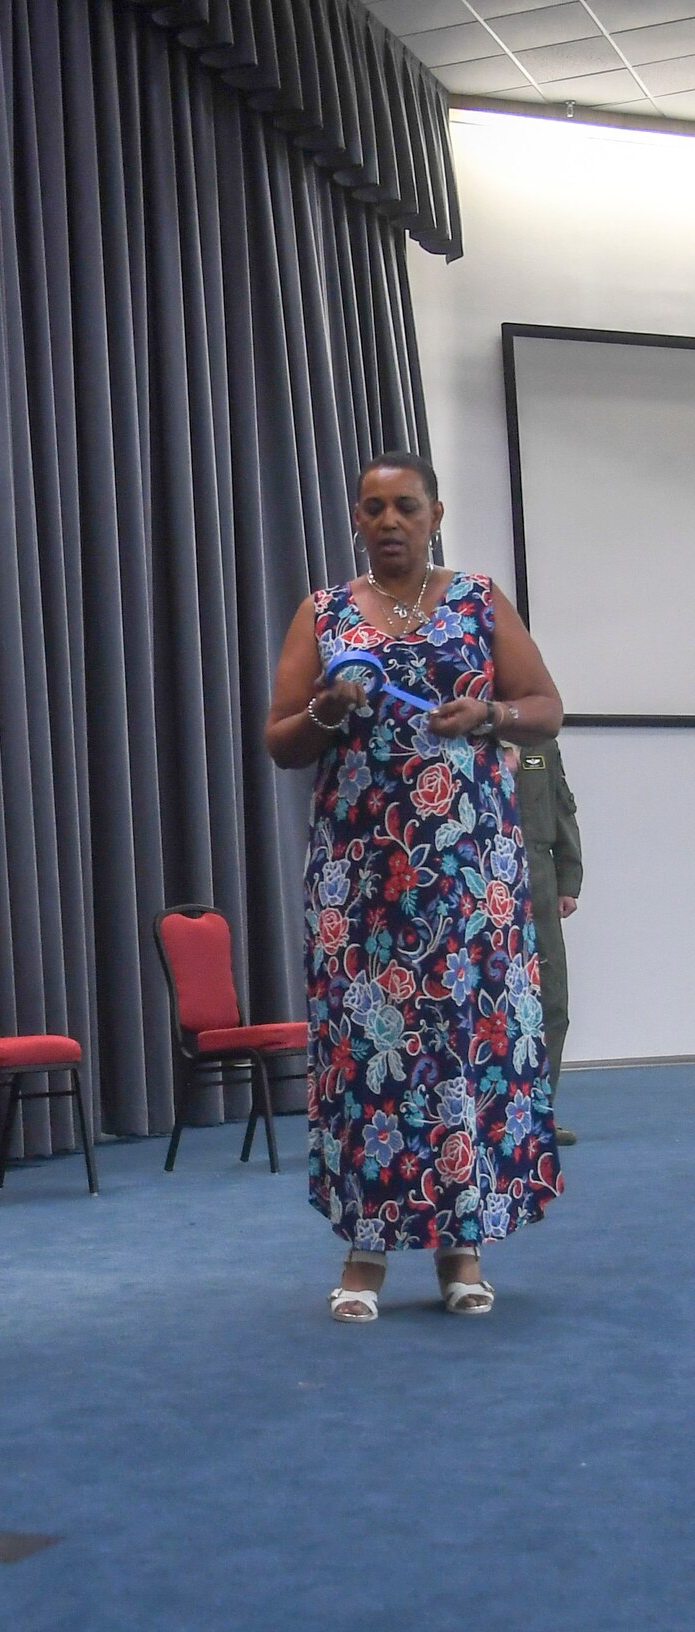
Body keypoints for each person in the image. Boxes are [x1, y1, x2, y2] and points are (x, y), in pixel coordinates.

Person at [265, 452, 565, 1324]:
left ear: (435, 513)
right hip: (363, 883)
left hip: (471, 876)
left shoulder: (477, 599)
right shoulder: (324, 613)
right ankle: (364, 1253)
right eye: (372, 509)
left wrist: (491, 715)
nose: (389, 521)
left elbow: (545, 703)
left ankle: (461, 1250)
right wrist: (329, 707)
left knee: (464, 1051)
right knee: (371, 1055)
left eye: (405, 506)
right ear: (355, 520)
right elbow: (281, 741)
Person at [512, 740, 583, 1144]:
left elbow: (561, 807)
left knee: (551, 1002)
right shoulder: (463, 732)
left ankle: (540, 1114)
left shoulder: (538, 740)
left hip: (537, 876)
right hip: (477, 874)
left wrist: (568, 878)